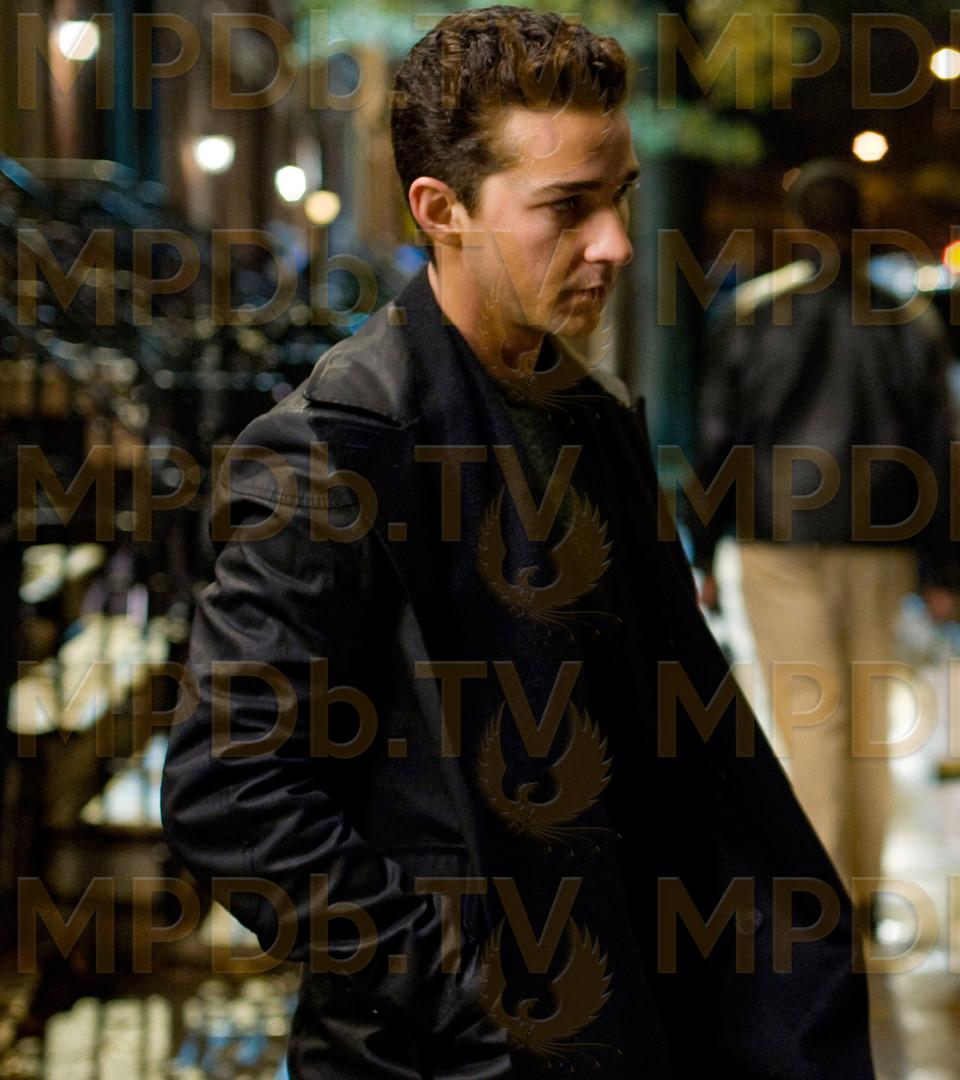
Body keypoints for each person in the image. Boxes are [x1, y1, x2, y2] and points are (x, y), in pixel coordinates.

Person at [161, 9, 872, 1077]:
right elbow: (230, 791)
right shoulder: (338, 449)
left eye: (619, 196)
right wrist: (471, 999)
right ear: (441, 210)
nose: (615, 242)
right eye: (566, 207)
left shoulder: (592, 417)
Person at [687, 161, 956, 931]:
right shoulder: (907, 321)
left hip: (778, 539)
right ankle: (862, 891)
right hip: (881, 541)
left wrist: (703, 548)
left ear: (796, 225)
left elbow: (719, 439)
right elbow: (939, 446)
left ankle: (822, 899)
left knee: (811, 719)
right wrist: (941, 565)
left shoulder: (751, 314)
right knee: (867, 722)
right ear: (862, 224)